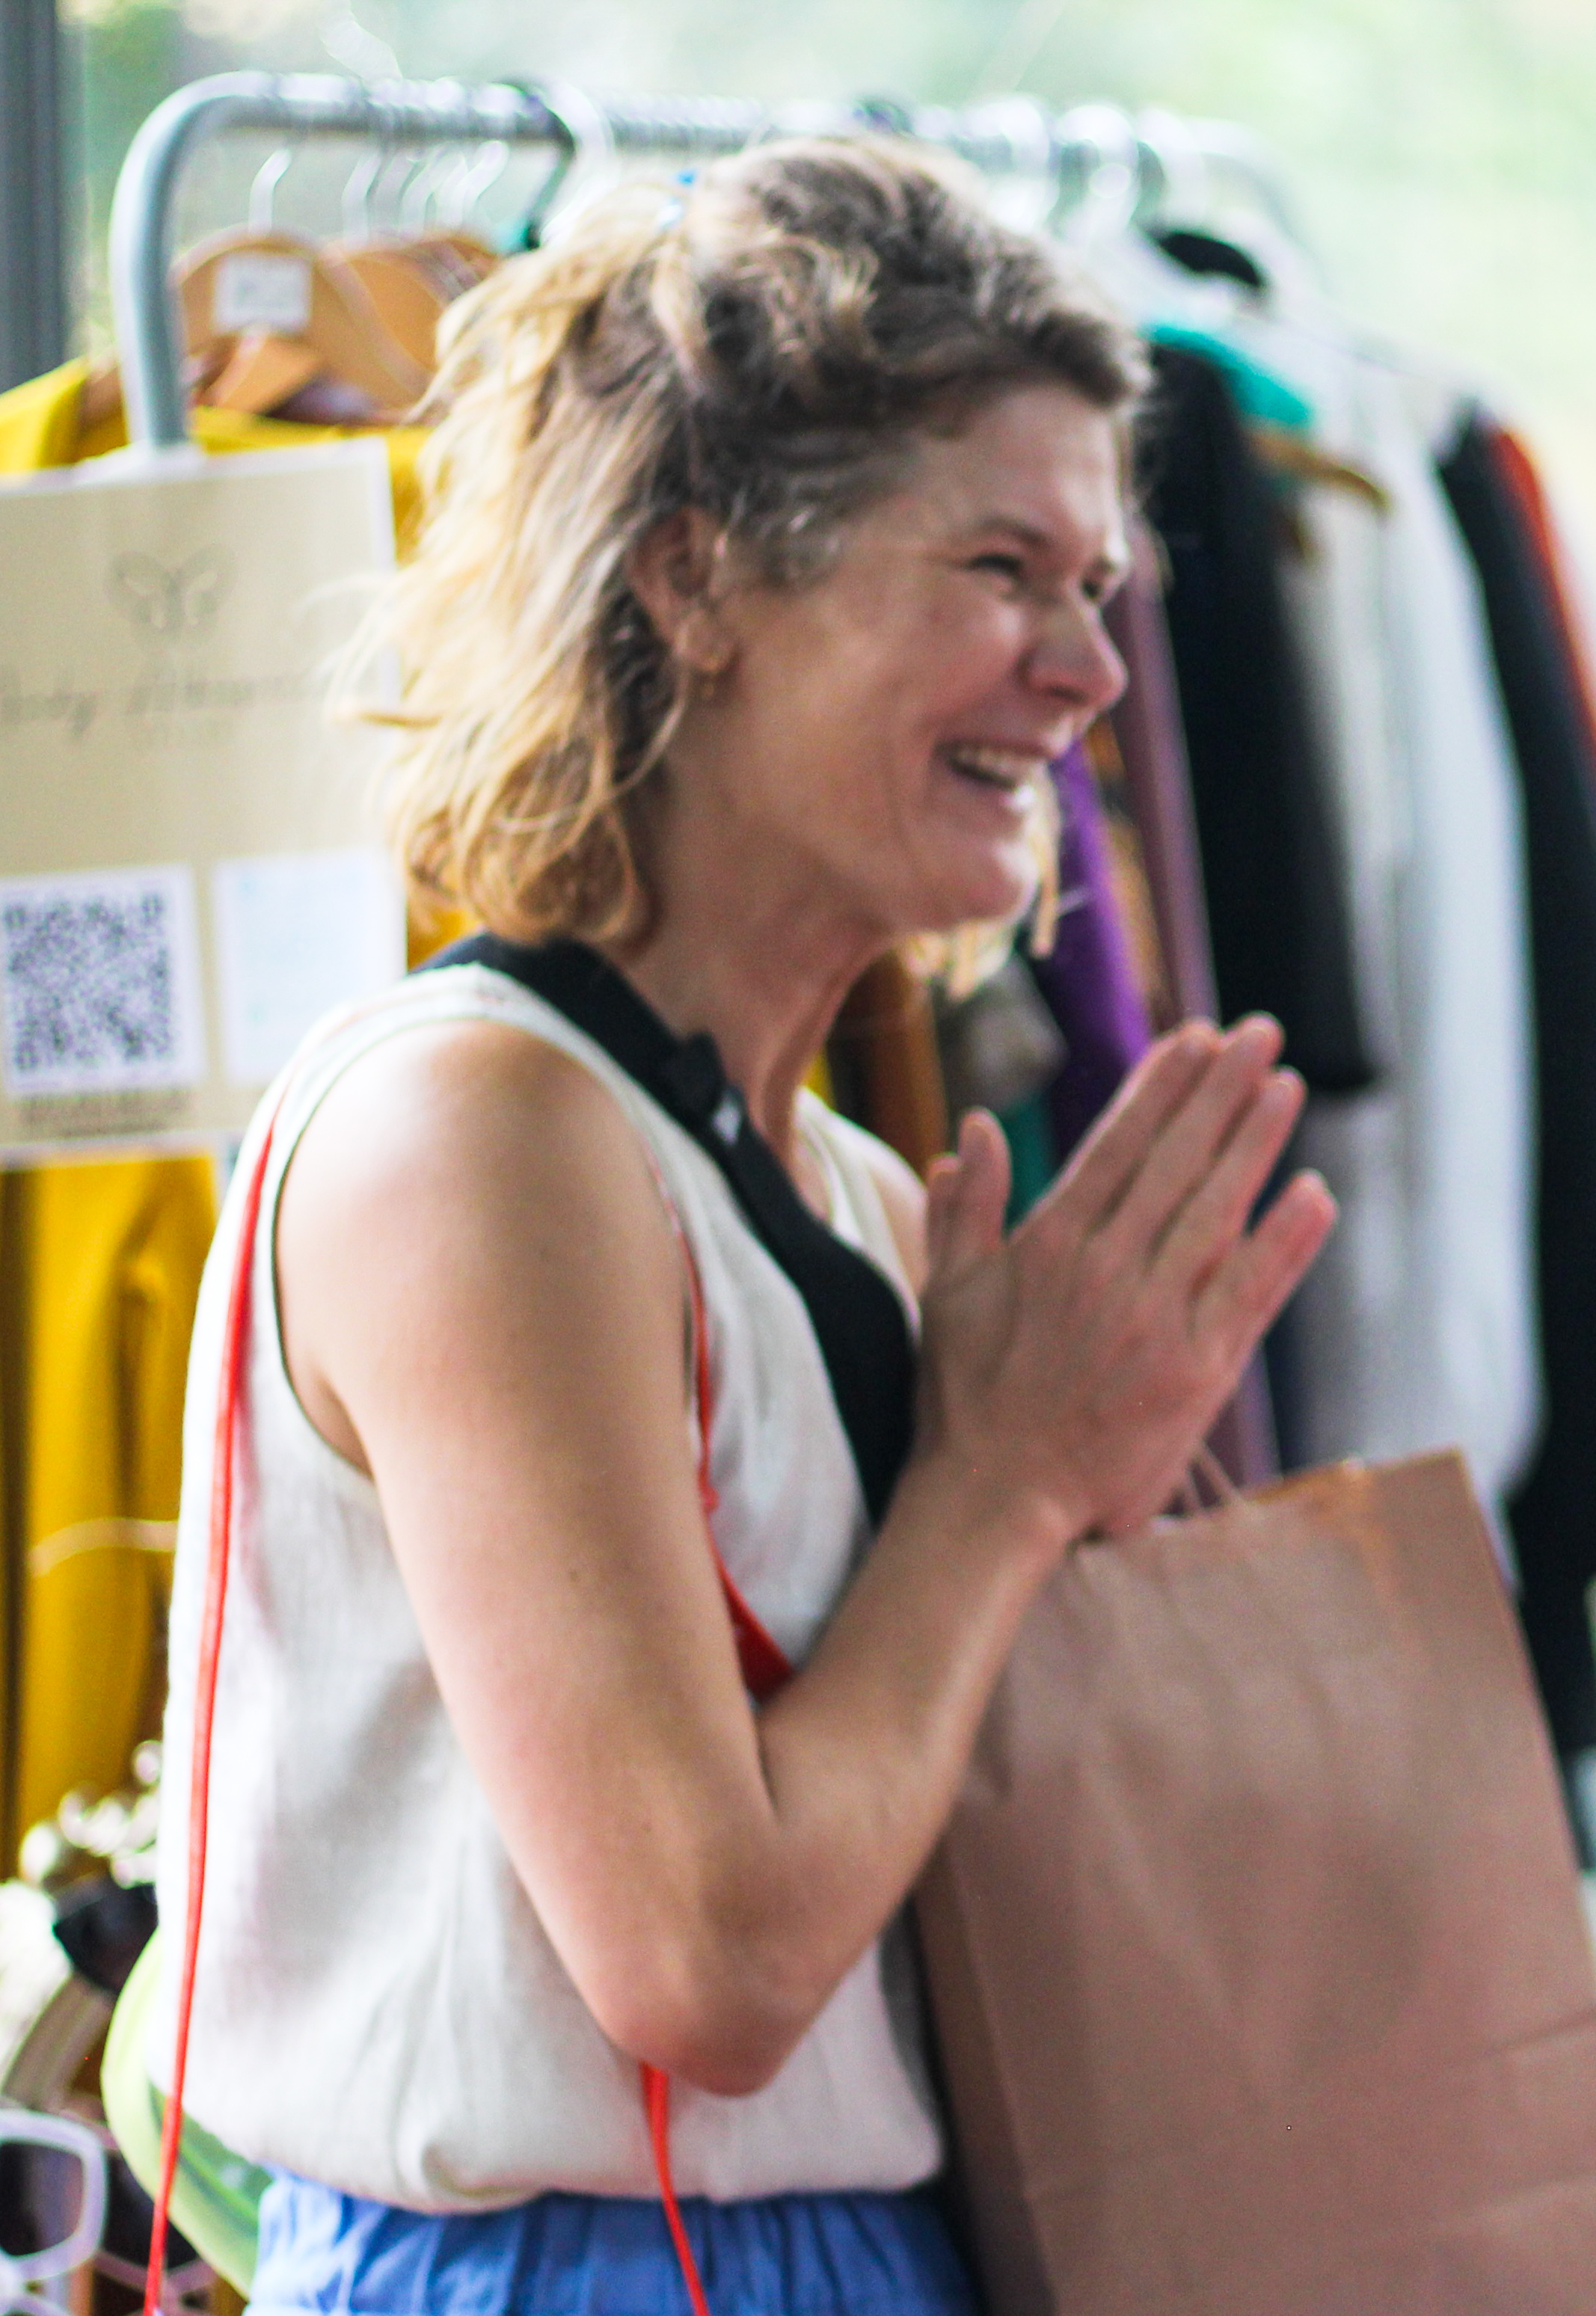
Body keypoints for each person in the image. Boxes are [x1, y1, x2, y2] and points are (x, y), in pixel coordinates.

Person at [143, 141, 1335, 2315]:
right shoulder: (479, 1129)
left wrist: (1085, 1531)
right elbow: (703, 1957)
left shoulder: (857, 1193)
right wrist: (1001, 1485)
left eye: (1098, 587)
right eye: (1001, 565)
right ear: (695, 583)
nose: (1084, 669)